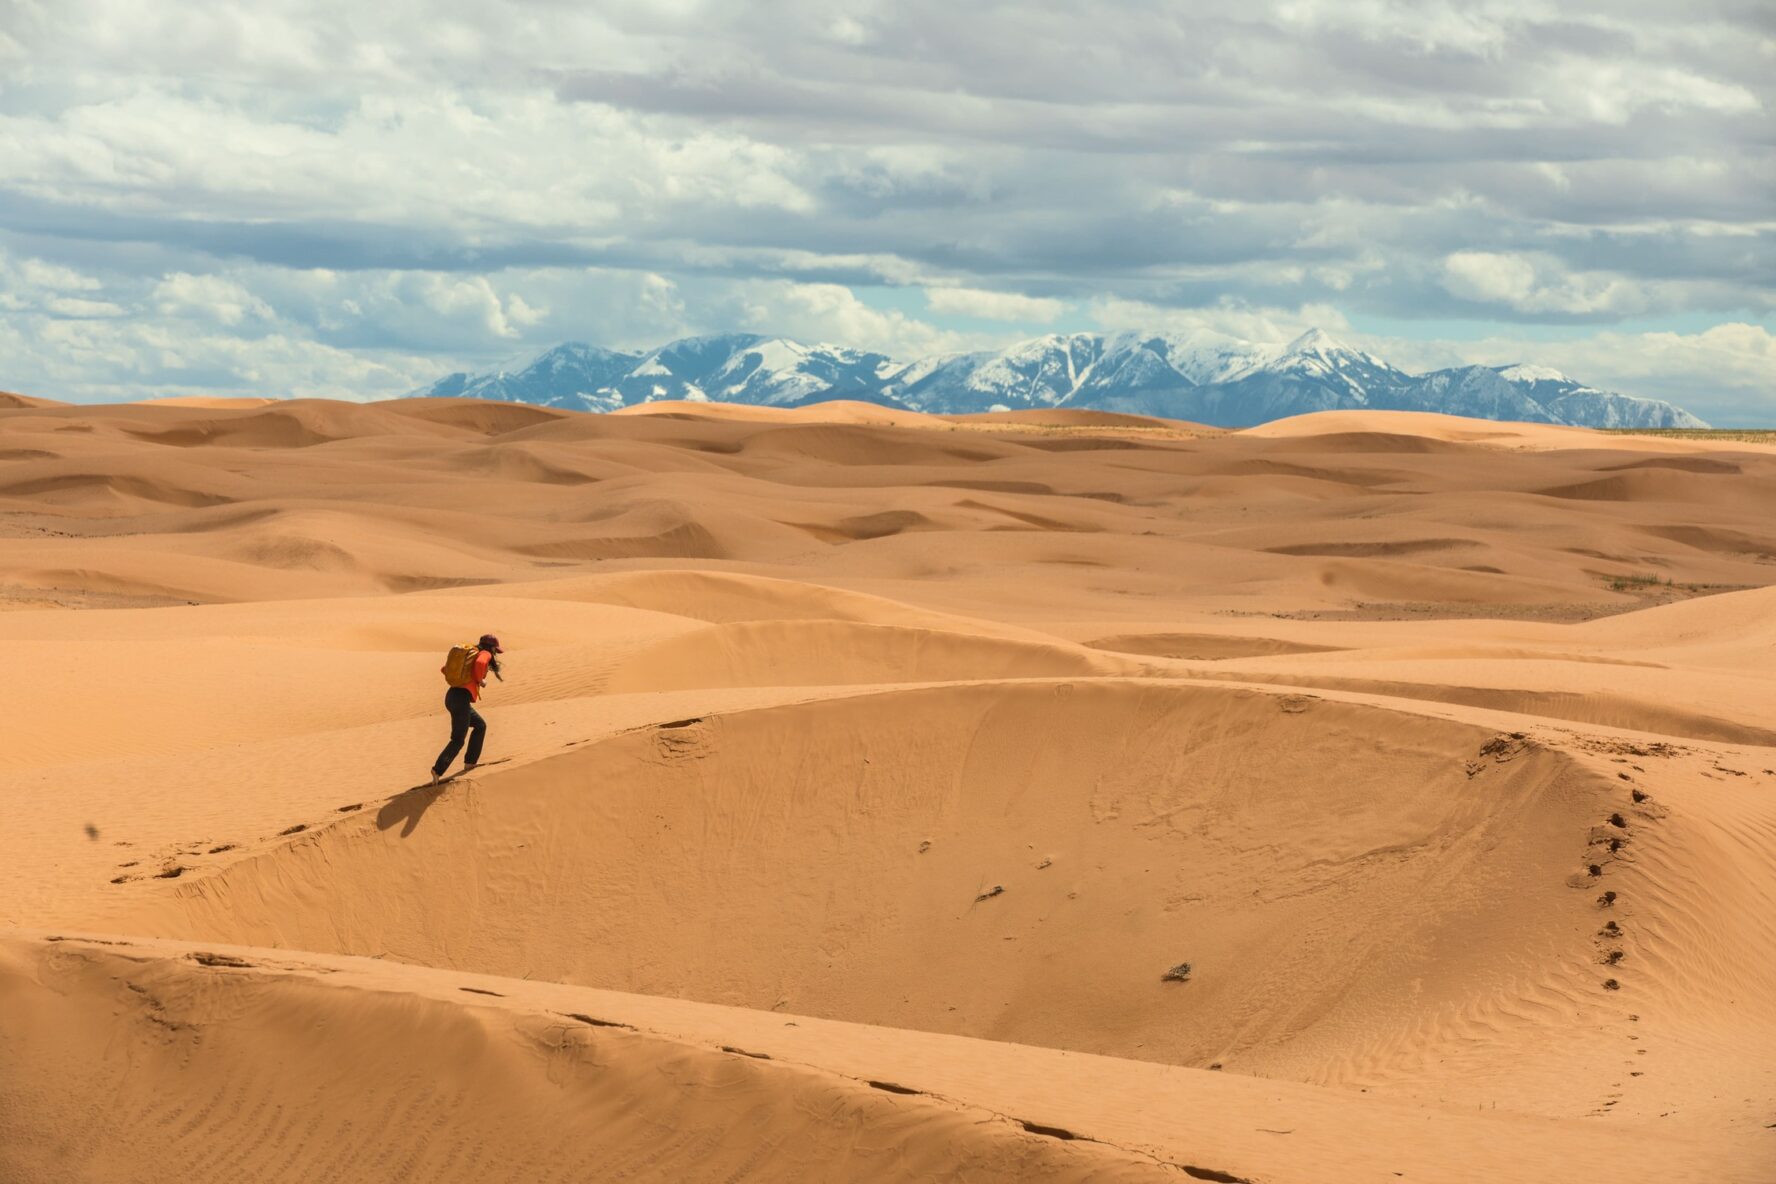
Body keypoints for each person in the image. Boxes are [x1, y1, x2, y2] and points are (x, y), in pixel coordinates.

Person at [431, 633, 503, 784]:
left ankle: (470, 762)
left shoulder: (469, 653)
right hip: (460, 699)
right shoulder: (484, 653)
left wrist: (461, 677)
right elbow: (480, 664)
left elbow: (445, 669)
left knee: (480, 725)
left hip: (452, 696)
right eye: (495, 650)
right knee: (458, 740)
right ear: (491, 648)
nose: (495, 653)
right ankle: (437, 770)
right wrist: (480, 680)